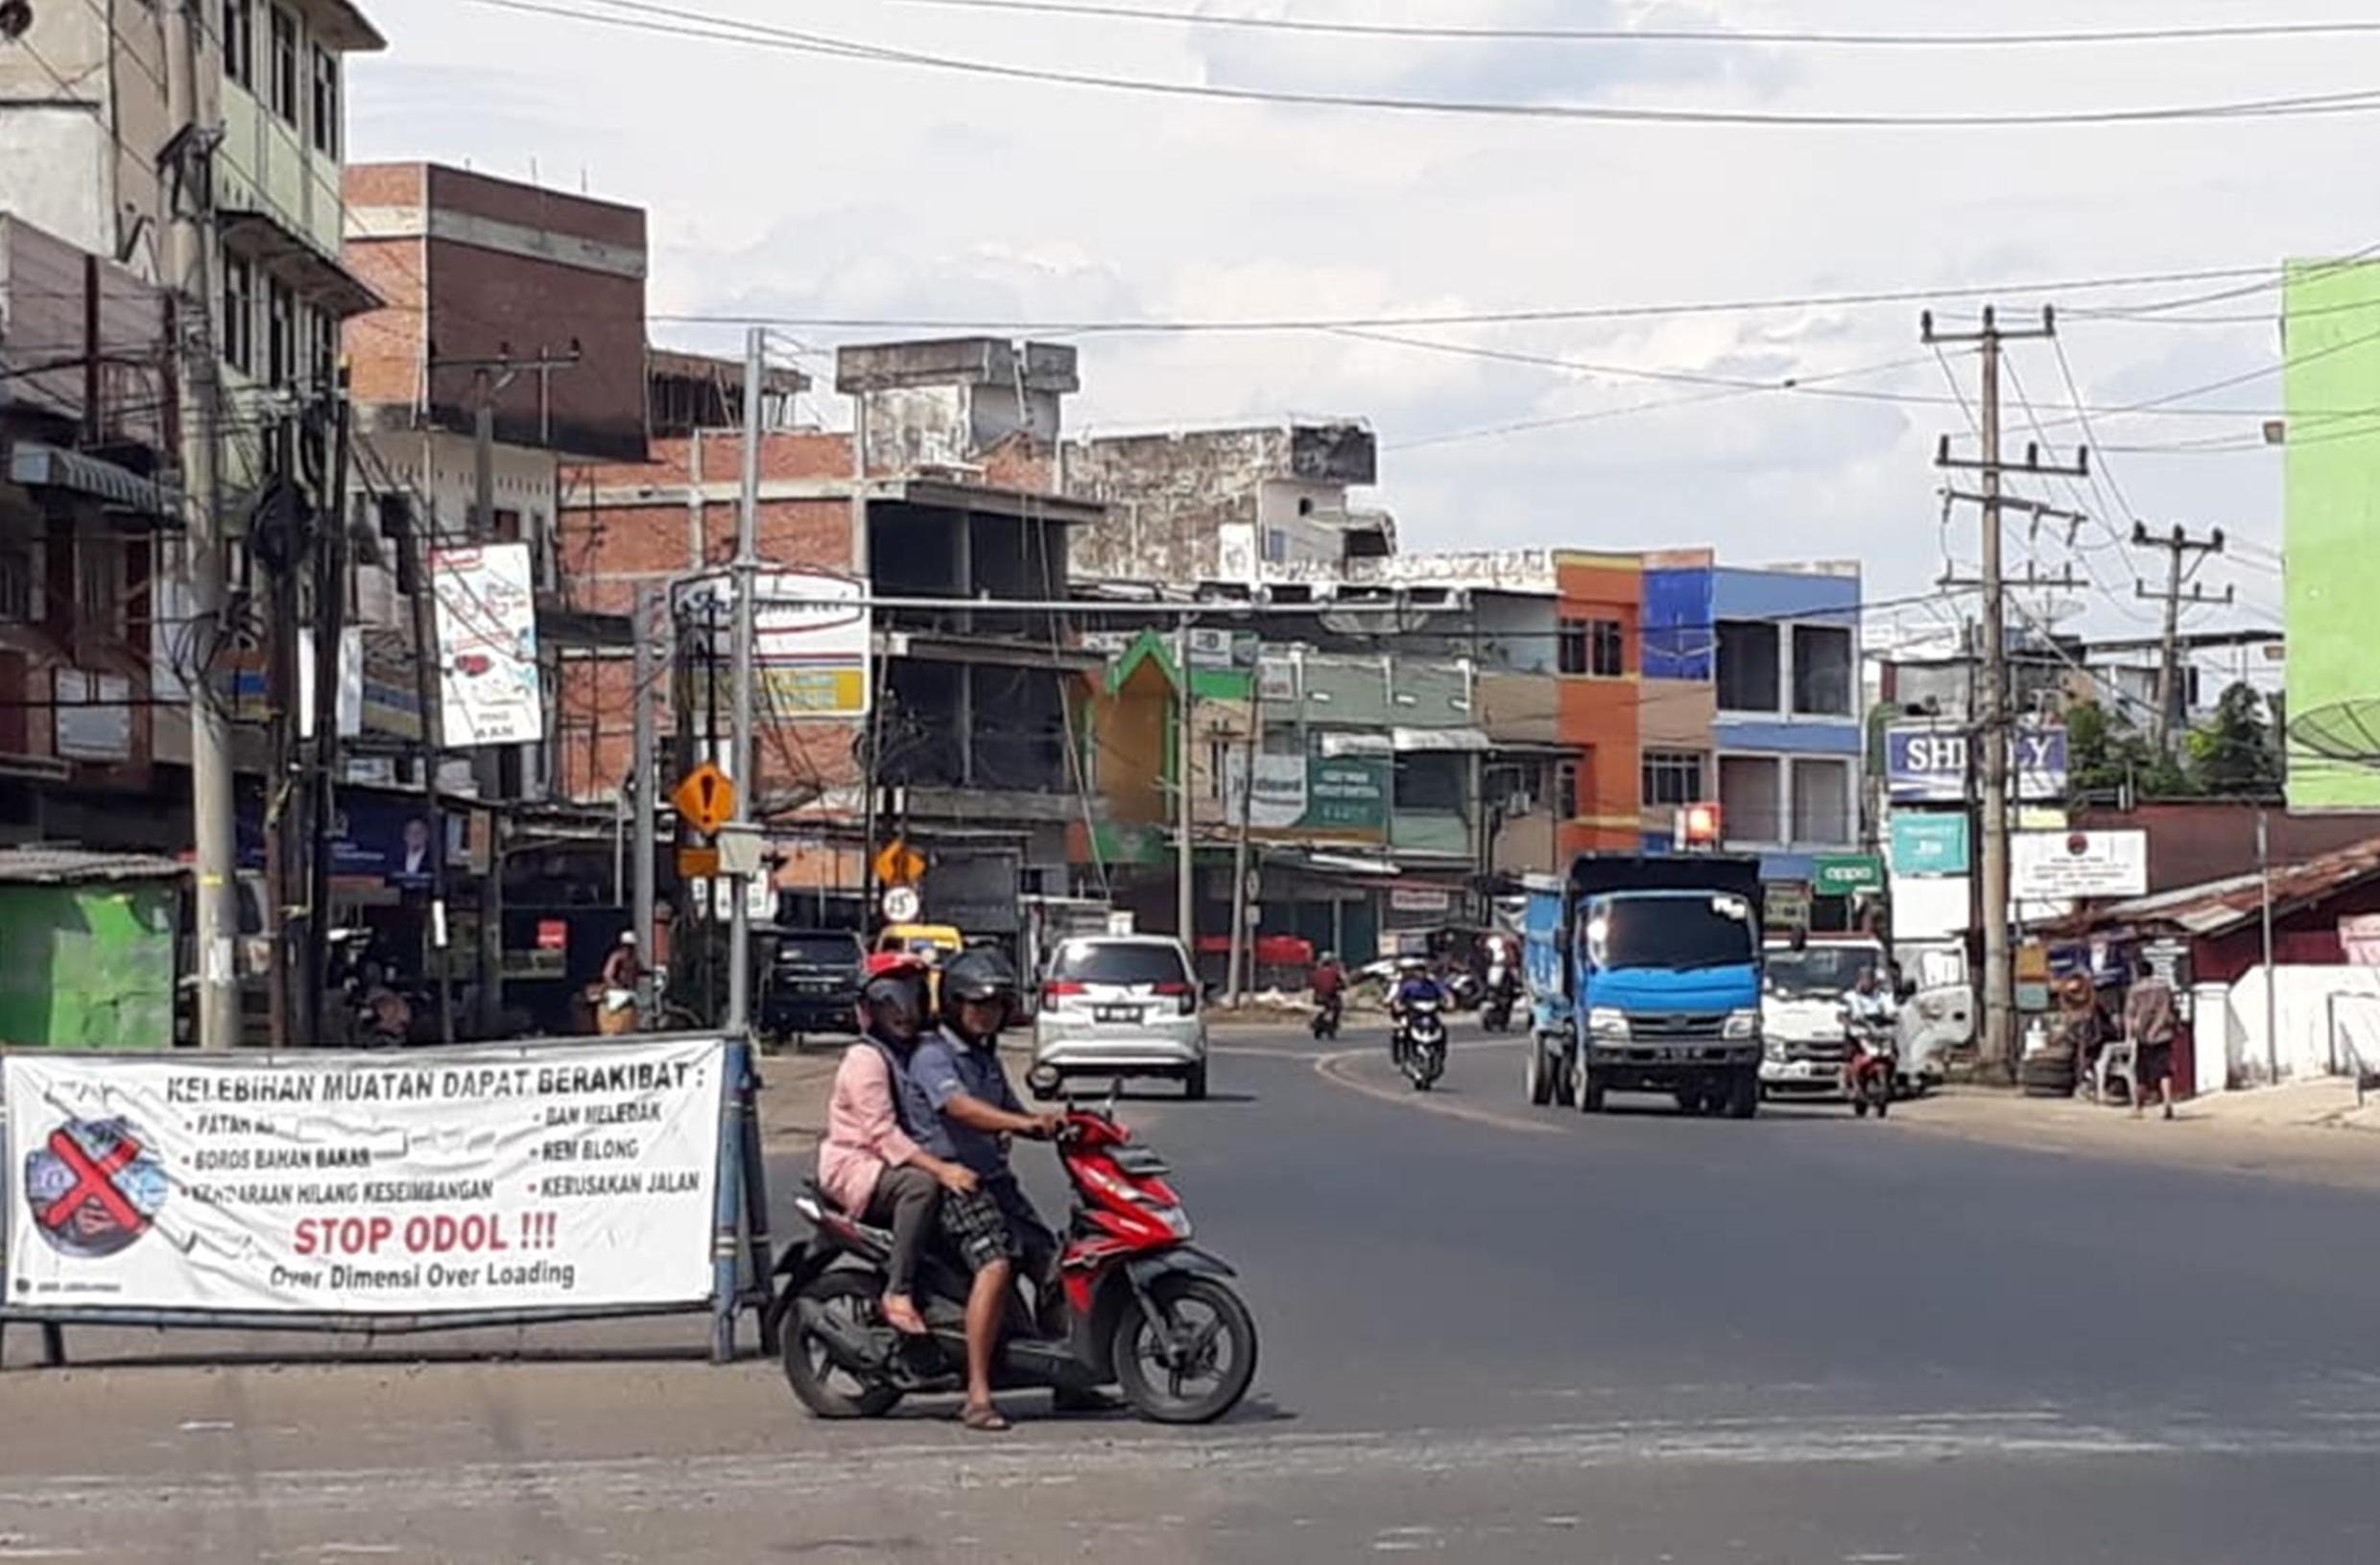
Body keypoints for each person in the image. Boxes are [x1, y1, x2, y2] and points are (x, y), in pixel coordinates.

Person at [910, 947, 1065, 1433]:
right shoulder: (934, 1056)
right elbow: (961, 1109)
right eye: (978, 1004)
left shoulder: (986, 1058)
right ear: (954, 1004)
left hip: (996, 1181)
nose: (987, 1014)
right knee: (996, 1264)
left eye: (996, 1006)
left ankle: (1068, 1377)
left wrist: (1059, 1122)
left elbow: (1011, 1108)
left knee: (1054, 1260)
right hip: (954, 1183)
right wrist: (1023, 1124)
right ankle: (977, 1394)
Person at [817, 958, 982, 1337]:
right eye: (891, 1001)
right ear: (870, 1009)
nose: (903, 1012)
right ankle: (898, 1290)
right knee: (920, 1187)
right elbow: (883, 1135)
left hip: (891, 1162)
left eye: (911, 998)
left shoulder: (919, 1053)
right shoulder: (866, 1059)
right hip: (858, 1167)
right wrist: (942, 1170)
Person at [2124, 964, 2180, 1121]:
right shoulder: (2164, 987)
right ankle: (2167, 1103)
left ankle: (2138, 1108)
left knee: (2141, 1073)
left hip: (2144, 1036)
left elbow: (2130, 1013)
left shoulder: (2135, 990)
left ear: (2138, 972)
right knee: (2164, 1071)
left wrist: (2129, 1035)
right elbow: (2171, 1008)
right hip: (2163, 1034)